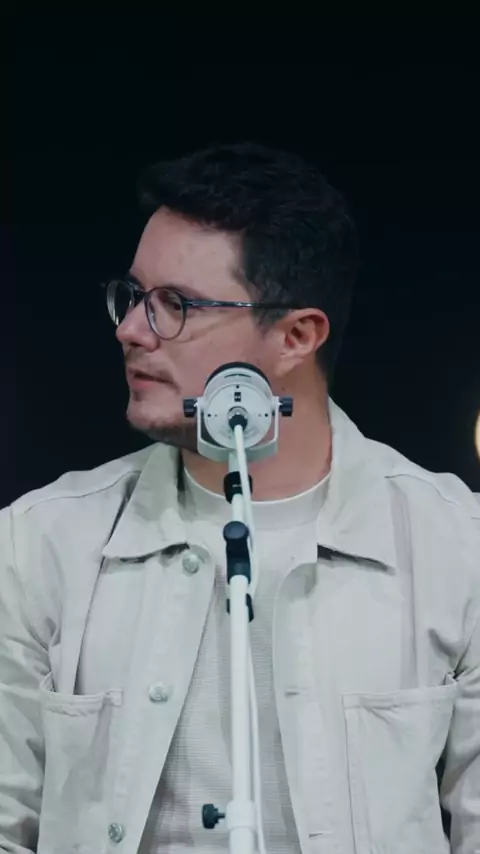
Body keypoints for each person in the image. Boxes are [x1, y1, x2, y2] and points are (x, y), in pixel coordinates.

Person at [1, 143, 479, 854]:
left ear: (297, 336)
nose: (129, 330)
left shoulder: (456, 544)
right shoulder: (39, 543)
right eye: (133, 297)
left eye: (175, 305)